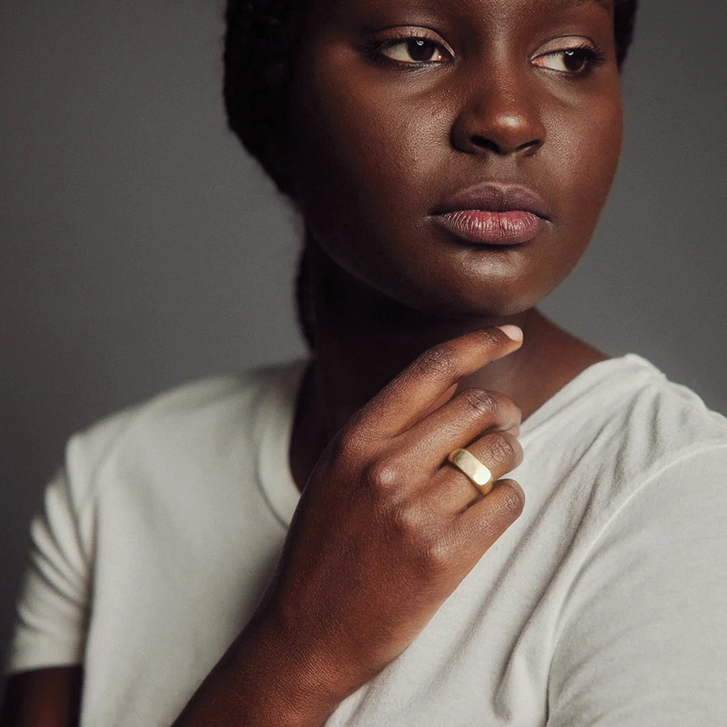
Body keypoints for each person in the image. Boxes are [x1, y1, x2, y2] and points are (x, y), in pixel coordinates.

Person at [3, 0, 727, 724]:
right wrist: (294, 656)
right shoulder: (120, 475)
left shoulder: (676, 497)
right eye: (415, 47)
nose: (510, 119)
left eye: (568, 57)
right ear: (276, 94)